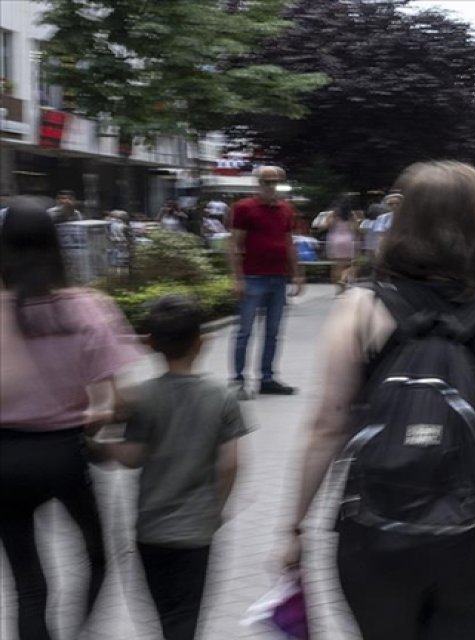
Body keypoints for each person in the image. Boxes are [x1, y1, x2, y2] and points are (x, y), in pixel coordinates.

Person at [281, 161, 475, 639]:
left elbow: (326, 426)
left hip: (376, 520)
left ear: (403, 223)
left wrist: (294, 525)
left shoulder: (361, 307)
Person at [0, 197, 141, 640]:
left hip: (4, 459)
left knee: (28, 586)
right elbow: (122, 403)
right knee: (98, 554)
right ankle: (78, 632)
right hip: (65, 455)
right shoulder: (87, 307)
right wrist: (93, 417)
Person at [96, 295, 249, 640]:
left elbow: (132, 457)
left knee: (164, 616)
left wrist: (98, 448)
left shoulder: (143, 398)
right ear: (202, 342)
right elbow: (230, 465)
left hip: (150, 530)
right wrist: (216, 511)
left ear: (151, 345)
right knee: (186, 617)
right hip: (197, 531)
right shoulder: (221, 397)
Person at [227, 165, 304, 399]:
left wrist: (298, 274)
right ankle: (238, 380)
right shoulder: (244, 208)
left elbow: (288, 243)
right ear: (258, 183)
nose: (272, 187)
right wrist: (237, 278)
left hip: (278, 277)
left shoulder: (286, 210)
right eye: (267, 182)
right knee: (245, 331)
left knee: (273, 332)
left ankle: (267, 378)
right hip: (253, 277)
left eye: (276, 182)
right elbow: (234, 245)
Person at [317, 197, 359, 294]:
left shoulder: (333, 214)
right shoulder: (352, 214)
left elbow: (326, 226)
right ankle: (344, 279)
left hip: (335, 240)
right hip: (349, 239)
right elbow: (356, 228)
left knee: (336, 267)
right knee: (348, 264)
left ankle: (339, 289)